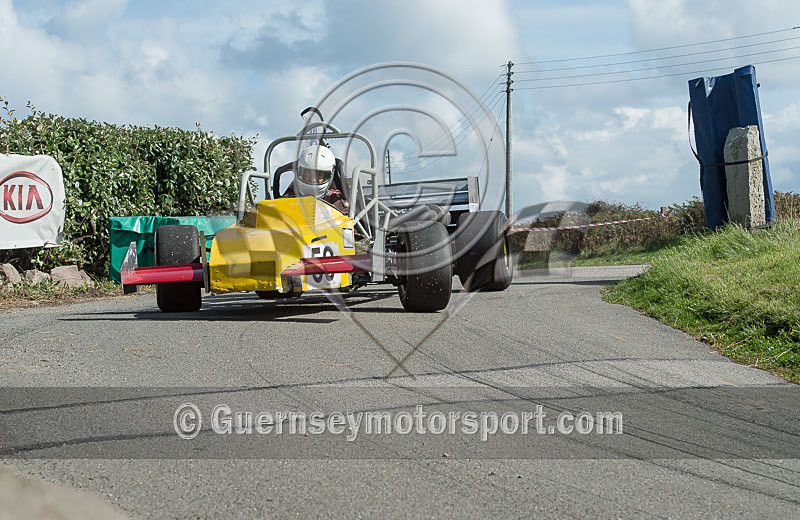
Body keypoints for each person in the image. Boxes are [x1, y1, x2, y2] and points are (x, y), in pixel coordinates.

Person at [282, 144, 348, 213]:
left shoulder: (338, 201)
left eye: (319, 175)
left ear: (330, 175)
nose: (313, 179)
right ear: (299, 172)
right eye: (309, 174)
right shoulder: (285, 200)